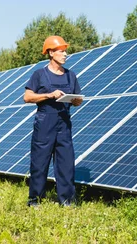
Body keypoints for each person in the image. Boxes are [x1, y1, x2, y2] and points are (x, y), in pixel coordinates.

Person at [24, 35, 83, 207]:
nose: (65, 55)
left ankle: (67, 200)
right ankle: (35, 200)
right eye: (61, 51)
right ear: (51, 53)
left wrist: (77, 101)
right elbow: (27, 97)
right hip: (44, 124)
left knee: (66, 164)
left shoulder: (71, 76)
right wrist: (49, 95)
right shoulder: (39, 75)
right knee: (40, 163)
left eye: (65, 51)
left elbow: (78, 98)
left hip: (64, 124)